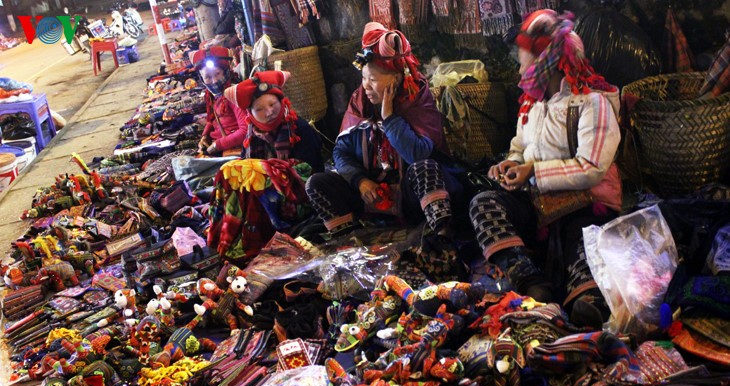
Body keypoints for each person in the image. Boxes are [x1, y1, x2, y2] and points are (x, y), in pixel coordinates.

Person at [469, 10, 622, 327]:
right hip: (539, 203)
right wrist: (511, 164)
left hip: (585, 204)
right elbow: (520, 147)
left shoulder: (592, 103)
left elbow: (592, 168)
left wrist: (533, 172)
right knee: (483, 204)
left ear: (548, 62)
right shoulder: (531, 104)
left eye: (524, 58)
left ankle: (585, 297)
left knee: (581, 238)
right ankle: (530, 280)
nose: (520, 66)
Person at [304, 22, 460, 238]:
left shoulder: (417, 101)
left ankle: (441, 237)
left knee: (425, 168)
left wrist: (389, 118)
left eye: (373, 80)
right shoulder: (359, 102)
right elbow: (340, 152)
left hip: (409, 199)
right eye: (363, 78)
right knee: (317, 182)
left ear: (396, 79)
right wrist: (360, 181)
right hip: (369, 197)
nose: (365, 86)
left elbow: (417, 154)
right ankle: (349, 240)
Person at [223, 70, 323, 172]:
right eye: (259, 109)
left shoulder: (300, 130)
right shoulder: (251, 137)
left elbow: (311, 171)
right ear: (251, 114)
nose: (269, 112)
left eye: (272, 104)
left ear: (281, 101)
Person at [190, 47, 247, 156]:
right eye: (208, 77)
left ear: (226, 71)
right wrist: (205, 135)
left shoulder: (234, 94)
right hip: (222, 145)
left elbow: (245, 131)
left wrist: (217, 145)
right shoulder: (212, 96)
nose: (215, 80)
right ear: (201, 79)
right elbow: (212, 119)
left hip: (237, 150)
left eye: (217, 74)